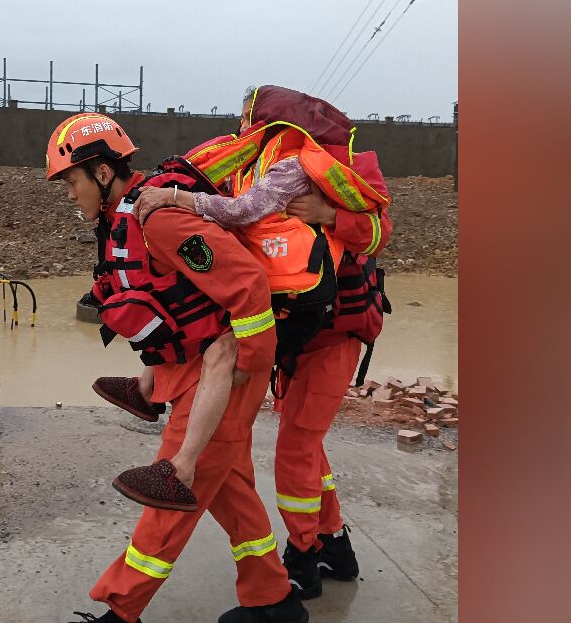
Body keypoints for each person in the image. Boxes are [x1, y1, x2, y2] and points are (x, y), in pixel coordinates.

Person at [131, 85, 394, 599]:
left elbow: (381, 231)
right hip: (292, 327)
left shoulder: (337, 171)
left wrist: (328, 216)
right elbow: (237, 216)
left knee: (295, 450)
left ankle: (303, 560)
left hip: (332, 334)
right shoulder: (255, 166)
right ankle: (334, 543)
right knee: (308, 447)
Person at [47, 112, 306, 623]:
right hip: (187, 373)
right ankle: (274, 601)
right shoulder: (121, 219)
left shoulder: (161, 219)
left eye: (72, 181)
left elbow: (248, 286)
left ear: (101, 172)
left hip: (220, 378)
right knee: (231, 493)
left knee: (171, 492)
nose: (70, 194)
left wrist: (244, 369)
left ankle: (120, 610)